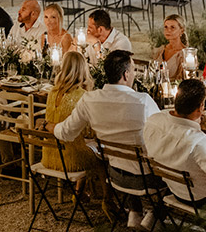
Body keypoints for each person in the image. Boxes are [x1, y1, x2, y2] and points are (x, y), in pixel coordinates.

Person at [52, 50, 161, 230]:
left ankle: (135, 213)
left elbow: (66, 133)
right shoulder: (143, 101)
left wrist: (51, 127)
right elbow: (164, 136)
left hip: (115, 176)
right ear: (126, 74)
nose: (134, 74)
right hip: (146, 181)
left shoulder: (90, 99)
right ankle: (152, 218)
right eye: (133, 70)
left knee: (130, 157)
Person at [144, 78, 206, 207]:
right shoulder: (198, 143)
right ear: (200, 108)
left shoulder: (153, 121)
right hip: (198, 197)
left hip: (175, 188)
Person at [40, 51, 97, 181]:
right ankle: (106, 197)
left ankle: (81, 193)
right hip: (70, 159)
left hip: (48, 156)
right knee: (100, 156)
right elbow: (89, 130)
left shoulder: (52, 92)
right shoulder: (83, 95)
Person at [153, 14, 188, 80]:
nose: (168, 30)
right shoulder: (160, 50)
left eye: (172, 27)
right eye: (166, 27)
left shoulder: (184, 54)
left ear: (181, 31)